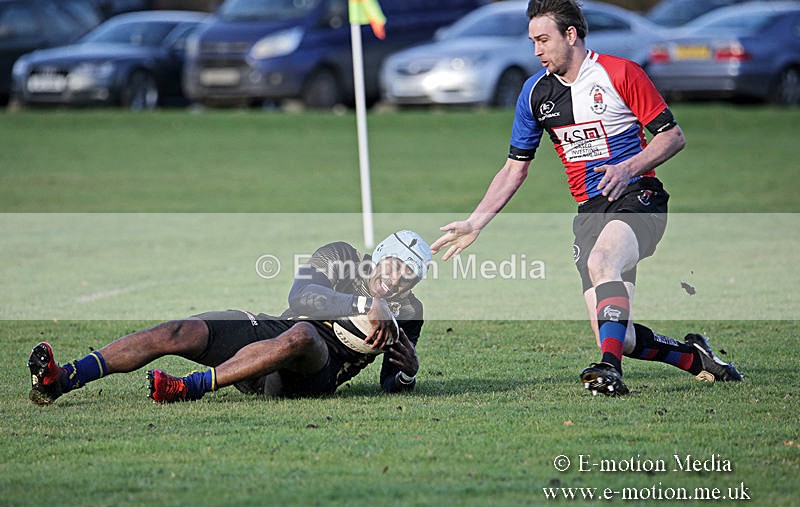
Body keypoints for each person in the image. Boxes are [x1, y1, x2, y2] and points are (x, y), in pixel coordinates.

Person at [431, 0, 742, 396]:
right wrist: (476, 221)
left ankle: (609, 370)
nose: (536, 50)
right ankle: (694, 358)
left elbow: (672, 136)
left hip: (638, 195)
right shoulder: (534, 94)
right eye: (532, 41)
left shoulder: (621, 73)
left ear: (571, 35)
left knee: (602, 261)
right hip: (590, 212)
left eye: (543, 39)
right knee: (618, 334)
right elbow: (515, 167)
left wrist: (628, 168)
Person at [27, 230, 431, 405]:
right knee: (180, 331)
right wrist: (363, 307)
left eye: (408, 275)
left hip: (313, 374)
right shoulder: (339, 255)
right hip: (273, 336)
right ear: (380, 255)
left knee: (304, 336)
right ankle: (62, 379)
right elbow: (301, 295)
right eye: (394, 265)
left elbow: (390, 385)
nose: (396, 280)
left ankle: (191, 388)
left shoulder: (410, 313)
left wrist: (407, 373)